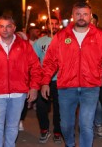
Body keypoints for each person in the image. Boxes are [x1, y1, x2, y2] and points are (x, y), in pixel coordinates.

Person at [41, 2, 102, 147]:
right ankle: (70, 144)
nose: (81, 17)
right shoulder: (61, 36)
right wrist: (45, 81)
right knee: (66, 125)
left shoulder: (99, 36)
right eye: (78, 14)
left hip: (90, 87)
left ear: (90, 16)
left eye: (85, 14)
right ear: (72, 16)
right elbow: (50, 61)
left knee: (86, 125)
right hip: (66, 87)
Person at [0, 15, 42, 147]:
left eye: (8, 26)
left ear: (14, 28)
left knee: (12, 126)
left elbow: (35, 67)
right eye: (1, 26)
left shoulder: (24, 46)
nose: (5, 29)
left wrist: (34, 87)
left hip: (18, 93)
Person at [33, 15, 62, 144]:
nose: (54, 26)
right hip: (44, 79)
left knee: (59, 107)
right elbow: (34, 61)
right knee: (41, 106)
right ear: (46, 26)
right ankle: (44, 129)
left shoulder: (64, 40)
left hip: (60, 79)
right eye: (51, 23)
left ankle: (58, 131)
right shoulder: (39, 42)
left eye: (56, 24)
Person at [91, 13, 102, 138]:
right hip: (82, 78)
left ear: (97, 23)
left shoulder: (101, 37)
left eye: (93, 21)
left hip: (98, 76)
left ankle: (99, 123)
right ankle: (87, 125)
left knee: (98, 104)